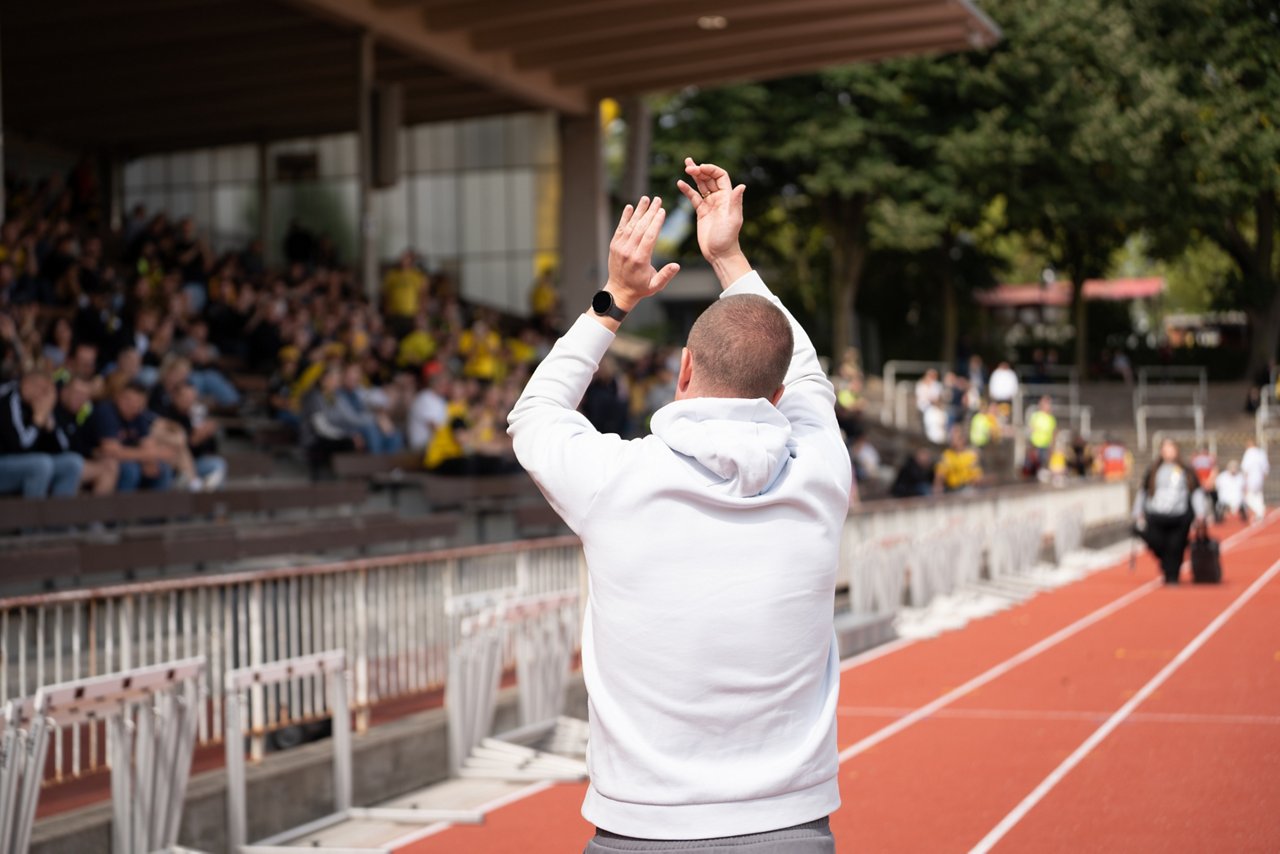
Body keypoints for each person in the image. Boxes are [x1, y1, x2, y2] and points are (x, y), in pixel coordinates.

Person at [508, 160, 844, 852]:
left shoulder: (614, 478)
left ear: (683, 371)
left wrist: (614, 300)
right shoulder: (819, 472)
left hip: (640, 826)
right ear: (777, 396)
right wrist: (729, 257)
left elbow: (535, 412)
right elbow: (804, 370)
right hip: (788, 826)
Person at [1133, 438, 1207, 584]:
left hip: (1179, 516)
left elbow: (1196, 492)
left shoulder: (1186, 470)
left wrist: (1200, 513)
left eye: (1171, 448)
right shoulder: (1153, 470)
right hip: (1156, 515)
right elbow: (1143, 491)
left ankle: (1172, 574)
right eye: (1165, 449)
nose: (1168, 452)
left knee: (1176, 546)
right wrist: (1137, 511)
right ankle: (1166, 562)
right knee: (1156, 542)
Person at [0, 370, 84, 498]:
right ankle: (31, 517)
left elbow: (62, 449)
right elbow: (20, 447)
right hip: (5, 463)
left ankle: (60, 517)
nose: (45, 395)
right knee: (41, 465)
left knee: (73, 463)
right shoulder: (9, 399)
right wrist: (37, 422)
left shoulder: (40, 403)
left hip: (25, 462)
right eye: (43, 389)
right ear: (27, 385)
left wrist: (51, 429)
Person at [83, 381, 175, 492]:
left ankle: (158, 508)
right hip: (94, 458)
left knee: (162, 469)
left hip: (128, 458)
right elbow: (111, 451)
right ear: (118, 397)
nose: (132, 405)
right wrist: (148, 455)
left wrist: (150, 460)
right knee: (130, 470)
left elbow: (148, 445)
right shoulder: (106, 411)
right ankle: (121, 509)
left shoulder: (138, 416)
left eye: (137, 402)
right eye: (127, 400)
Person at [934, 424, 983, 493]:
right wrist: (938, 490)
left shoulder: (971, 455)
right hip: (950, 489)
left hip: (967, 488)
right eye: (952, 437)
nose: (953, 440)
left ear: (963, 439)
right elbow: (940, 475)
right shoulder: (947, 455)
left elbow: (977, 477)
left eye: (956, 437)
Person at [1240, 438, 1270, 523]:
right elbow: (1266, 467)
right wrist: (1264, 476)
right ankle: (1260, 511)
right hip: (1260, 476)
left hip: (1251, 477)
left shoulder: (1249, 453)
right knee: (1259, 495)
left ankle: (1259, 510)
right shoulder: (1261, 453)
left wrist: (1245, 480)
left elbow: (1245, 467)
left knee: (1248, 496)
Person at [1025, 396, 1056, 475]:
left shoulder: (1051, 418)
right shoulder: (1036, 416)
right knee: (1032, 463)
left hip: (1045, 444)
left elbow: (1053, 433)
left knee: (1043, 462)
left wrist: (1052, 445)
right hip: (1035, 444)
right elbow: (1031, 429)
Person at [1189, 445, 1220, 522]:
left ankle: (1209, 515)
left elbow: (1214, 470)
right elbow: (1192, 471)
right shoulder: (1196, 460)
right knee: (1198, 499)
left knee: (1209, 499)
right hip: (1200, 483)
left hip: (1206, 483)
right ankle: (1200, 516)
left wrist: (1210, 481)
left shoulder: (1209, 459)